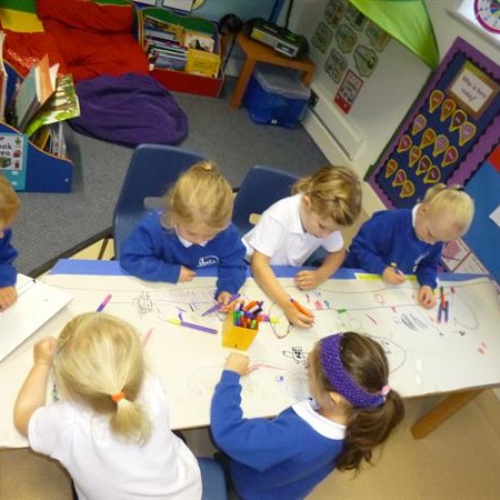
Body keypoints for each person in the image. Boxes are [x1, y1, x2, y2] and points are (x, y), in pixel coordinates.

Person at [13, 312, 207, 500]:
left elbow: (23, 417)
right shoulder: (150, 385)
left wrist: (41, 364)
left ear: (68, 386)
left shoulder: (67, 422)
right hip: (185, 493)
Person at [210, 331, 404, 500]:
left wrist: (230, 376)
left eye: (309, 371)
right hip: (286, 487)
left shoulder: (295, 435)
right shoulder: (361, 421)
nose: (306, 373)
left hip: (251, 491)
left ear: (334, 398)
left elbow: (229, 433)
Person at [243, 165, 362, 328]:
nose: (326, 235)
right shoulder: (279, 216)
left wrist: (320, 275)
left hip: (284, 271)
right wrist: (288, 306)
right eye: (322, 227)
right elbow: (258, 265)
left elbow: (338, 253)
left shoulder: (325, 219)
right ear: (307, 203)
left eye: (333, 231)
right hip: (249, 265)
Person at [120, 161, 247, 307]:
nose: (199, 241)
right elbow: (131, 259)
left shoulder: (227, 233)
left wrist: (227, 289)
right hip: (162, 292)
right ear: (175, 215)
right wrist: (170, 272)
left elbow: (235, 265)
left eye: (209, 235)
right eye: (191, 233)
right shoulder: (154, 228)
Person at [344, 184, 474, 308]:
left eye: (440, 240)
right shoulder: (390, 221)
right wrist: (382, 269)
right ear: (423, 210)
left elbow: (428, 264)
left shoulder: (434, 237)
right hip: (353, 277)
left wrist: (427, 284)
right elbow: (358, 247)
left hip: (383, 291)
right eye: (430, 234)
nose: (432, 243)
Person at [0, 173, 21, 311]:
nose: (1, 236)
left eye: (2, 229)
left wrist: (3, 282)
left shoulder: (2, 234)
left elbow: (3, 260)